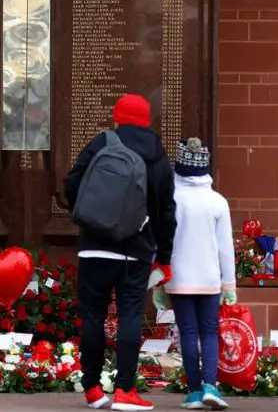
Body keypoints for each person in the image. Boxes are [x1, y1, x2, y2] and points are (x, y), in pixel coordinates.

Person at [65, 94, 176, 411]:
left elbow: (70, 184)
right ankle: (126, 390)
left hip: (94, 247)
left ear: (118, 118)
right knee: (129, 316)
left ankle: (93, 390)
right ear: (146, 119)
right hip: (135, 251)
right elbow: (167, 210)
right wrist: (164, 257)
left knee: (92, 317)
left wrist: (90, 216)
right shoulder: (156, 153)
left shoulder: (103, 142)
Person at [153, 138, 236, 410]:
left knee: (188, 332)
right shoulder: (217, 202)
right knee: (210, 332)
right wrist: (229, 284)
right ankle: (211, 385)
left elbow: (160, 241)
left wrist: (157, 282)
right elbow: (226, 248)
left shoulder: (171, 199)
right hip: (210, 279)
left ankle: (194, 392)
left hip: (178, 278)